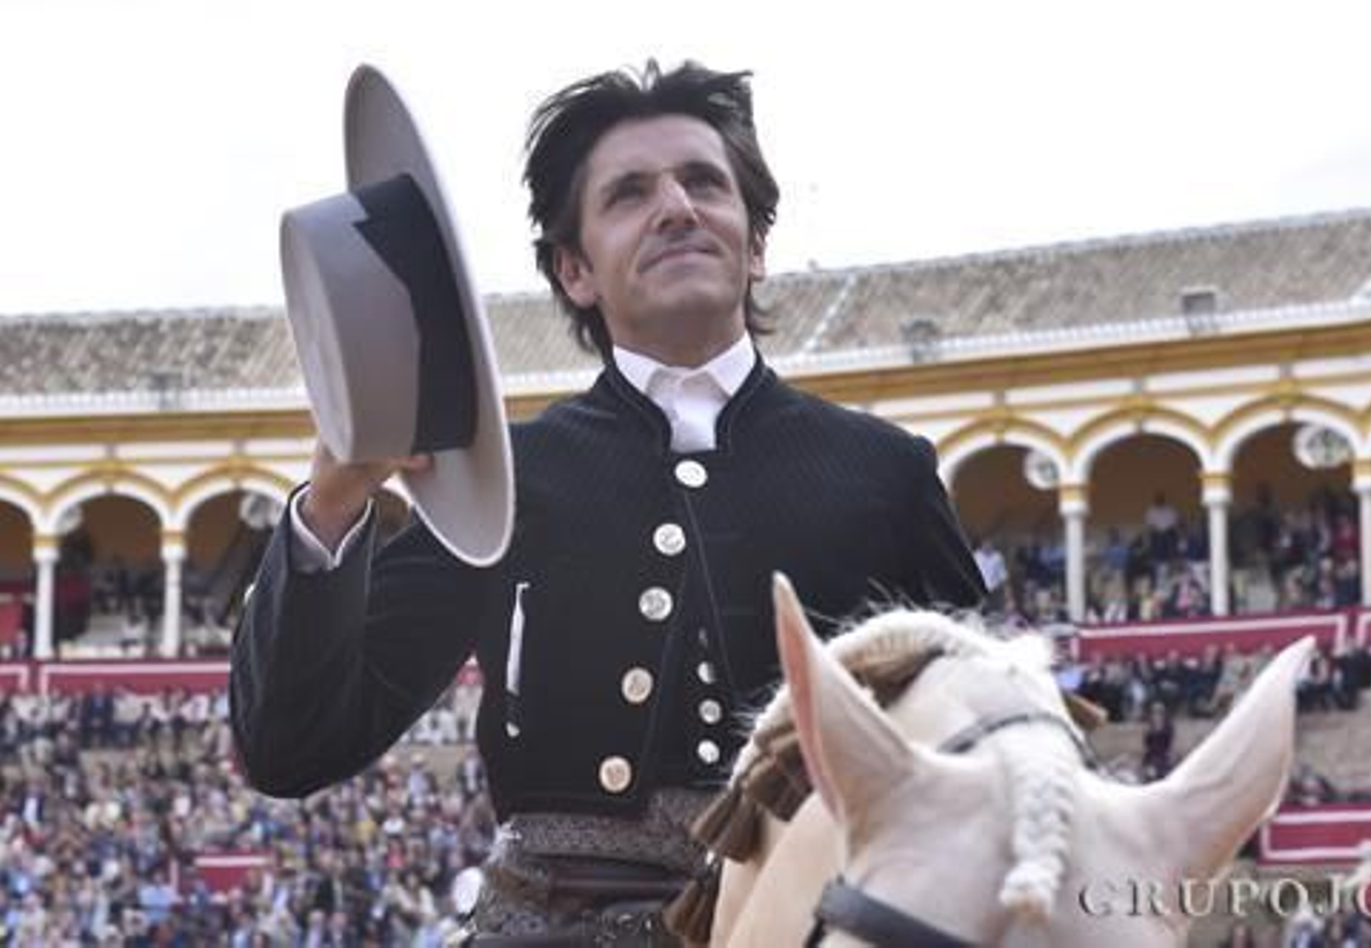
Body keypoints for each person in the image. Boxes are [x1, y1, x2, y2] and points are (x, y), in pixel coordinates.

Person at [230, 60, 984, 943]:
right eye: (630, 194)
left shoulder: (885, 470)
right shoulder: (510, 476)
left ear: (757, 244)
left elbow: (986, 756)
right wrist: (330, 509)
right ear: (575, 270)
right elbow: (292, 747)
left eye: (705, 183)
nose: (677, 207)